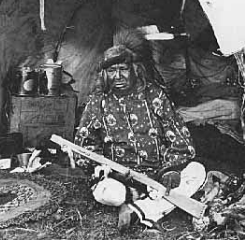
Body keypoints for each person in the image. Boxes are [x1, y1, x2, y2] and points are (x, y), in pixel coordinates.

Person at [73, 28, 206, 231]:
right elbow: (84, 146)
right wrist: (107, 170)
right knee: (109, 193)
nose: (117, 76)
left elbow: (182, 141)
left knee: (197, 171)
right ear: (104, 73)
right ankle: (140, 199)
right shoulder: (97, 102)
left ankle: (138, 211)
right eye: (111, 70)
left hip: (159, 176)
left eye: (123, 69)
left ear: (135, 69)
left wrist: (170, 169)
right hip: (120, 180)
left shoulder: (155, 96)